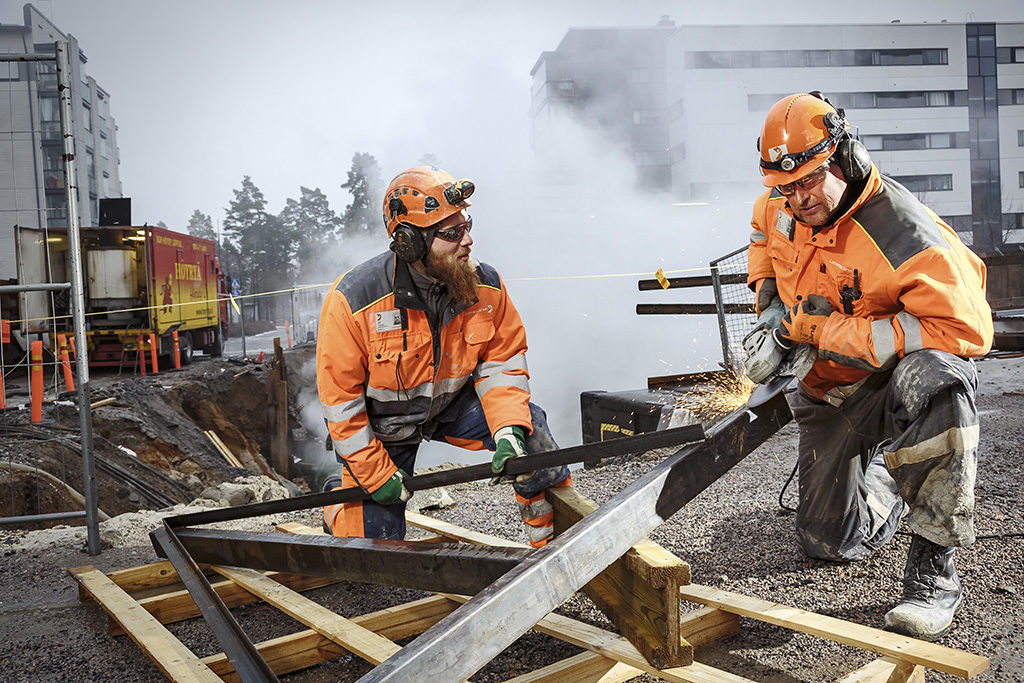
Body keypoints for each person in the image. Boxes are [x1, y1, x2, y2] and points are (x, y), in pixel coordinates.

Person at [746, 92, 993, 641]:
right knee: (828, 543)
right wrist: (767, 306)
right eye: (785, 187)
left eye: (809, 181)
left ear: (844, 157)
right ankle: (888, 482)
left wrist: (813, 331)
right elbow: (762, 238)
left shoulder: (903, 234)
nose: (797, 199)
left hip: (894, 380)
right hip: (831, 387)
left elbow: (967, 332)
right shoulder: (782, 203)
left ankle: (934, 576)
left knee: (940, 381)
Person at [315, 165, 571, 548]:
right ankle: (339, 508)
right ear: (409, 243)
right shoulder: (353, 301)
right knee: (374, 547)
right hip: (383, 427)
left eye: (467, 225)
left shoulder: (484, 285)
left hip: (450, 406)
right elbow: (341, 406)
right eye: (452, 234)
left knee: (530, 430)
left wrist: (507, 432)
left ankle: (549, 544)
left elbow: (503, 363)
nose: (467, 241)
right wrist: (375, 475)